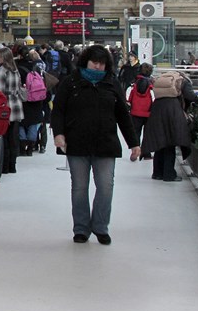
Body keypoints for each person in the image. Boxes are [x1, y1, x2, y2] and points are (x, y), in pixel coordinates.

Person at [51, 44, 141, 245]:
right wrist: (58, 134)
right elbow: (58, 111)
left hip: (105, 143)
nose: (98, 67)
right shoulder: (71, 82)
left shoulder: (111, 83)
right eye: (94, 62)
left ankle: (101, 227)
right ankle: (81, 229)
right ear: (86, 61)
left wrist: (134, 143)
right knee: (80, 188)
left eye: (102, 64)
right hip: (77, 143)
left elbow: (122, 115)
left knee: (106, 187)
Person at [142, 70, 198, 182]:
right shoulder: (183, 81)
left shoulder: (165, 80)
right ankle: (169, 174)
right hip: (172, 111)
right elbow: (190, 96)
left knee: (160, 142)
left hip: (157, 109)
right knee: (170, 142)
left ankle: (157, 173)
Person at [0, 47, 24, 174]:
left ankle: (5, 166)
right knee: (13, 137)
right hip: (16, 103)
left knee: (4, 137)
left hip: (5, 105)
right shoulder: (15, 69)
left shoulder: (2, 70)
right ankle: (13, 165)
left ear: (2, 57)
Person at [127, 63, 155, 144]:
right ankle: (146, 153)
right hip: (148, 113)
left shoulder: (134, 83)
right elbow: (153, 99)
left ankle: (136, 150)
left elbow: (129, 98)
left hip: (135, 112)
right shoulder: (151, 85)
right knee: (147, 134)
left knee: (136, 133)